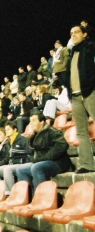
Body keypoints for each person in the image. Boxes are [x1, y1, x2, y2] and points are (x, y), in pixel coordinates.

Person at [63, 25, 95, 173]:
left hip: (90, 93)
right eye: (71, 33)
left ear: (85, 34)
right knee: (81, 132)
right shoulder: (71, 53)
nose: (73, 35)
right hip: (75, 97)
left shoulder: (90, 48)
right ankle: (87, 165)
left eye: (76, 32)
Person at [16, 113, 71, 194]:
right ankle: (28, 197)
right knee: (20, 169)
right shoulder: (35, 135)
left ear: (42, 122)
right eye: (30, 121)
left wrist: (46, 157)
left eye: (34, 120)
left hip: (58, 163)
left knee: (36, 167)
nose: (31, 123)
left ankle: (41, 197)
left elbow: (63, 145)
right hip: (42, 162)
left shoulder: (51, 131)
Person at [0, 121, 31, 196]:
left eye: (8, 129)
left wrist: (23, 162)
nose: (6, 131)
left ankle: (10, 195)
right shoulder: (9, 142)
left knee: (7, 170)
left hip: (21, 164)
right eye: (5, 130)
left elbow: (29, 154)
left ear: (15, 129)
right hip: (12, 164)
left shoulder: (23, 139)